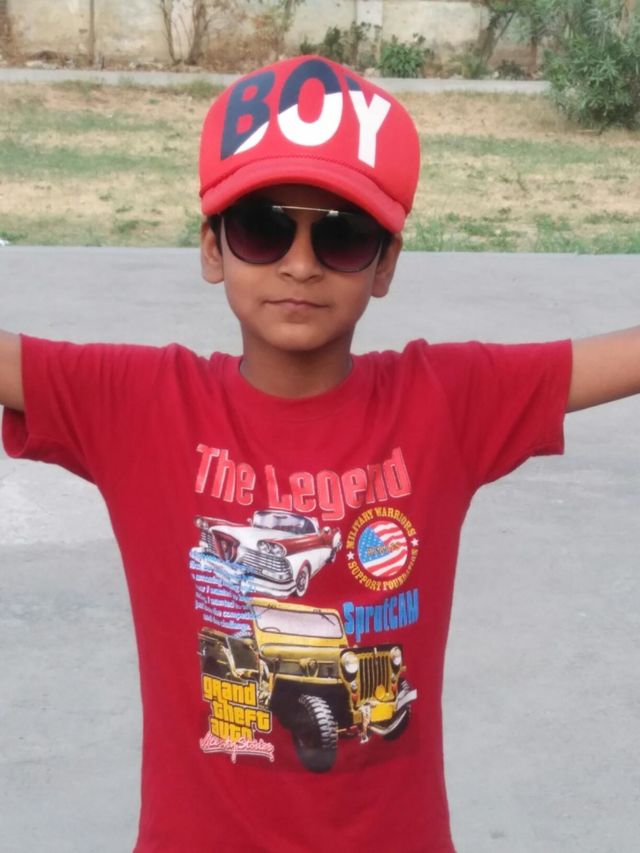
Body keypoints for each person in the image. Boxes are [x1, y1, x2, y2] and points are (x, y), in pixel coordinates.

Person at [0, 54, 638, 853]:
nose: (299, 264)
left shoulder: (442, 401)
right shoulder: (141, 403)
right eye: (262, 227)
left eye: (341, 235)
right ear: (212, 248)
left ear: (386, 264)